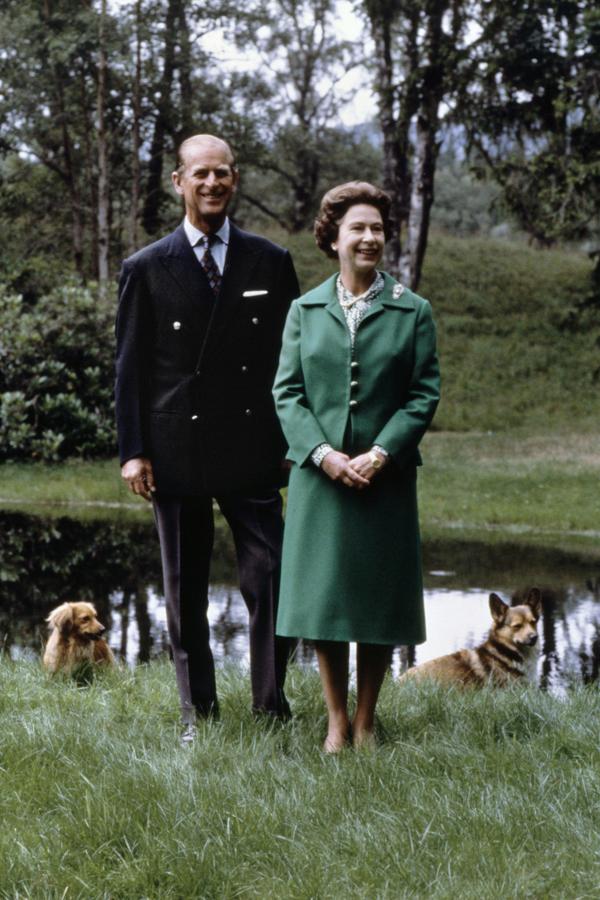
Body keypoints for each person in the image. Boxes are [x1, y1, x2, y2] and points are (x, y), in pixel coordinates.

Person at [115, 134, 300, 742]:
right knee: (183, 590)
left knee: (272, 575)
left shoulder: (270, 261)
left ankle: (271, 708)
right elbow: (130, 367)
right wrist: (133, 450)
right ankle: (199, 714)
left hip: (253, 446)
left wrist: (295, 440)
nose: (212, 183)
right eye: (201, 174)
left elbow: (290, 360)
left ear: (235, 179)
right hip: (176, 450)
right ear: (179, 181)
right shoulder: (145, 267)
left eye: (222, 173)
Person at [273, 182, 440, 752]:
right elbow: (287, 393)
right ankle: (336, 721)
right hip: (319, 477)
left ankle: (368, 721)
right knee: (325, 601)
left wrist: (380, 452)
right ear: (334, 238)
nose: (369, 238)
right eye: (357, 229)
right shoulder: (304, 309)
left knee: (374, 599)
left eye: (376, 229)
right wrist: (323, 454)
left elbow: (422, 394)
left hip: (383, 478)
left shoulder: (413, 311)